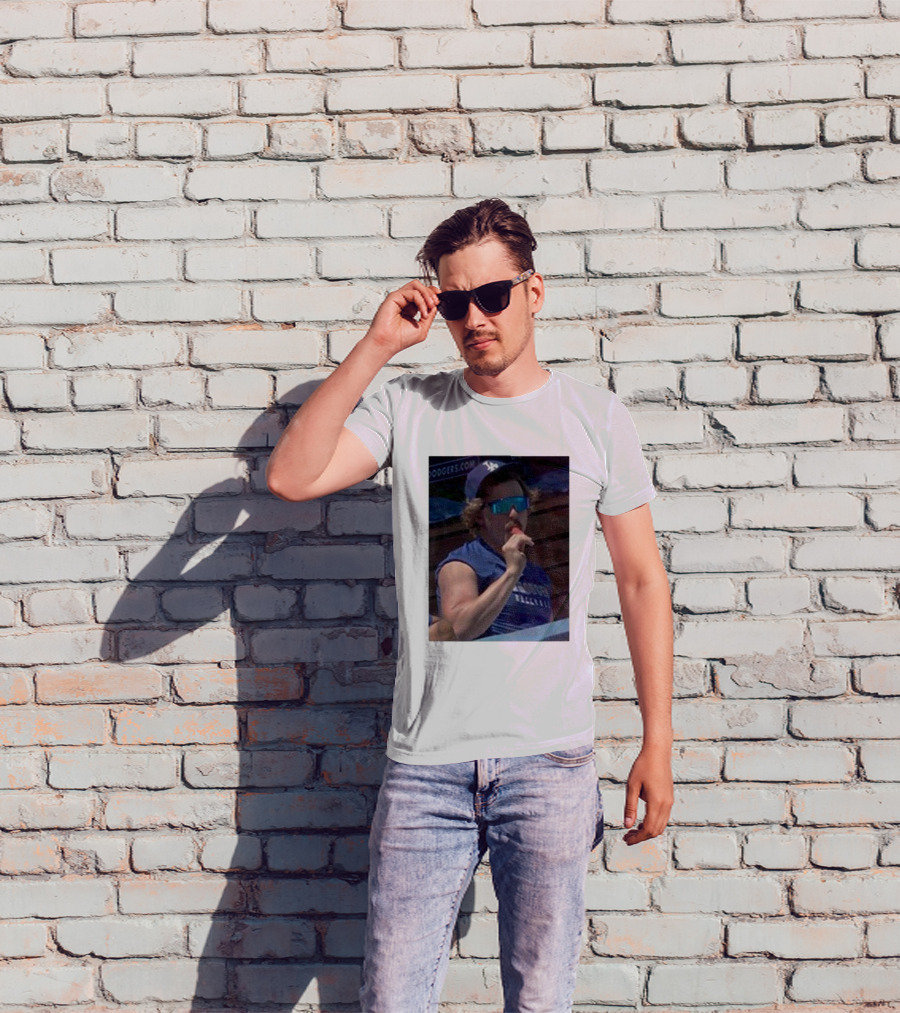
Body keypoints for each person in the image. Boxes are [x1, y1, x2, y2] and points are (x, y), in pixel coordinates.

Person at [266, 198, 674, 1013]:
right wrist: (379, 346)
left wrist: (657, 741)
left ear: (535, 291)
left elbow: (640, 580)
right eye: (455, 303)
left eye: (492, 296)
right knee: (393, 999)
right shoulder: (411, 408)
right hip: (427, 769)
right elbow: (292, 476)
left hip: (552, 764)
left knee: (540, 999)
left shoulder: (595, 419)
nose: (474, 318)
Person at [433, 458, 555, 641]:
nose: (514, 514)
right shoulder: (462, 564)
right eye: (503, 506)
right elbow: (457, 630)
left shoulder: (536, 573)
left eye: (520, 503)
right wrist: (511, 574)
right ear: (479, 516)